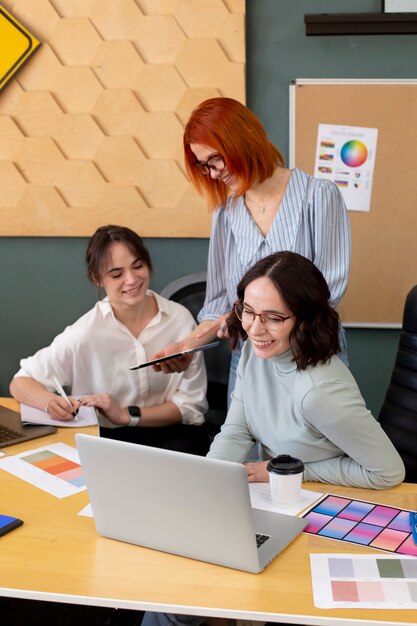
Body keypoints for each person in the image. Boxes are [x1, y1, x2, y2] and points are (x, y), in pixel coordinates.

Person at [141, 251, 404, 626]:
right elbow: (237, 428)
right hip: (277, 499)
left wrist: (285, 470)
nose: (255, 328)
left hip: (325, 514)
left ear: (305, 319)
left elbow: (386, 472)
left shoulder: (319, 391)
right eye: (247, 311)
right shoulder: (255, 349)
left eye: (274, 318)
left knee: (185, 594)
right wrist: (206, 485)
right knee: (177, 585)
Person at [151, 97, 351, 400]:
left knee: (319, 446)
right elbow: (221, 303)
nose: (214, 173)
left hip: (310, 355)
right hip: (248, 359)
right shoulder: (226, 212)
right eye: (204, 166)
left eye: (215, 159)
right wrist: (188, 345)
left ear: (242, 140)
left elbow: (326, 292)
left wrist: (256, 320)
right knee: (241, 446)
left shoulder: (318, 197)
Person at [9, 225, 209, 455]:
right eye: (117, 274)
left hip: (173, 435)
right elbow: (21, 382)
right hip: (107, 440)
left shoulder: (180, 319)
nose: (132, 280)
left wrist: (126, 416)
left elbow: (190, 405)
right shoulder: (84, 333)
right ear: (97, 278)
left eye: (138, 266)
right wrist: (50, 402)